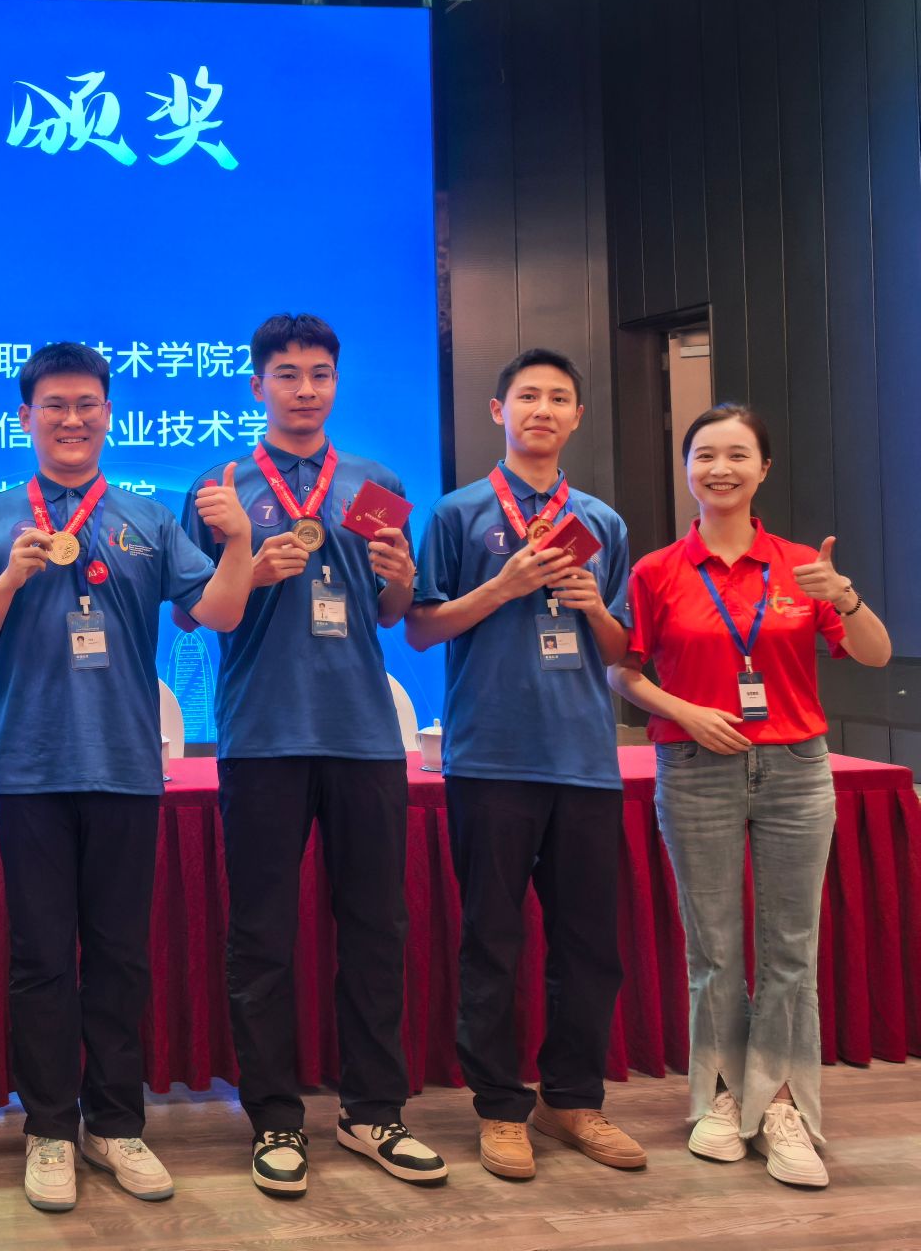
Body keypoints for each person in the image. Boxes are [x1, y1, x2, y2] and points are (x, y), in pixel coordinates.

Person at [0, 341, 253, 1213]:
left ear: (108, 414)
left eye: (87, 404)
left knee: (119, 957)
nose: (72, 418)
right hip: (30, 767)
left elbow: (219, 611)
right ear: (26, 417)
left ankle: (114, 1124)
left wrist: (238, 541)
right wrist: (11, 575)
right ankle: (49, 1127)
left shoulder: (147, 518)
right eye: (54, 405)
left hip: (125, 766)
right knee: (40, 958)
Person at [179, 312, 446, 1198]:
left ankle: (374, 1111)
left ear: (336, 382)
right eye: (287, 374)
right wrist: (248, 565)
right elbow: (193, 613)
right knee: (262, 934)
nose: (305, 389)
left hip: (364, 734)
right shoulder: (219, 486)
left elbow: (391, 612)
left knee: (376, 928)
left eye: (320, 374)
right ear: (257, 385)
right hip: (262, 734)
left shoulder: (376, 483)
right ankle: (274, 1118)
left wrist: (402, 576)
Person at [608, 403, 892, 1190]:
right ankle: (721, 1097)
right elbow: (623, 671)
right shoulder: (658, 569)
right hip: (694, 765)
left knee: (790, 949)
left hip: (797, 769)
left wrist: (845, 596)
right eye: (705, 455)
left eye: (737, 455)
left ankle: (784, 1106)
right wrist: (686, 712)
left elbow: (875, 655)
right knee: (714, 949)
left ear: (763, 469)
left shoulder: (801, 566)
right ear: (687, 469)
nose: (720, 469)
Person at [406, 349, 642, 1181]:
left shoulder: (603, 523)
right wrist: (505, 587)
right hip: (491, 757)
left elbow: (621, 652)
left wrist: (592, 607)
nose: (543, 409)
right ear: (498, 411)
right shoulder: (457, 514)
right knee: (493, 940)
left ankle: (571, 1100)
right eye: (528, 396)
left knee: (589, 945)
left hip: (584, 761)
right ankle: (500, 1107)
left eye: (559, 398)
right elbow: (421, 629)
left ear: (577, 416)